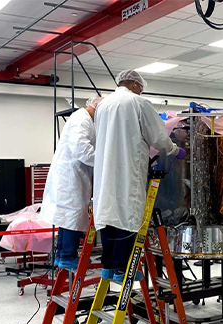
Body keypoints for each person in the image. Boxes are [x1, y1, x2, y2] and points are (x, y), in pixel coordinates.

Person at [93, 70, 187, 282]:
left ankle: (107, 266)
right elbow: (158, 137)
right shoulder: (138, 103)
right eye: (141, 88)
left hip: (105, 170)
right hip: (128, 168)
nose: (141, 91)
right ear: (135, 85)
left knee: (108, 214)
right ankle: (122, 269)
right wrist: (175, 150)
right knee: (128, 214)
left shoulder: (103, 106)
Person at [41, 96, 104, 271]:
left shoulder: (86, 120)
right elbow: (82, 149)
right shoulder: (81, 119)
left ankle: (63, 255)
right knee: (72, 215)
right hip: (70, 176)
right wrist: (104, 162)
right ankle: (67, 256)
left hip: (74, 175)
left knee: (69, 217)